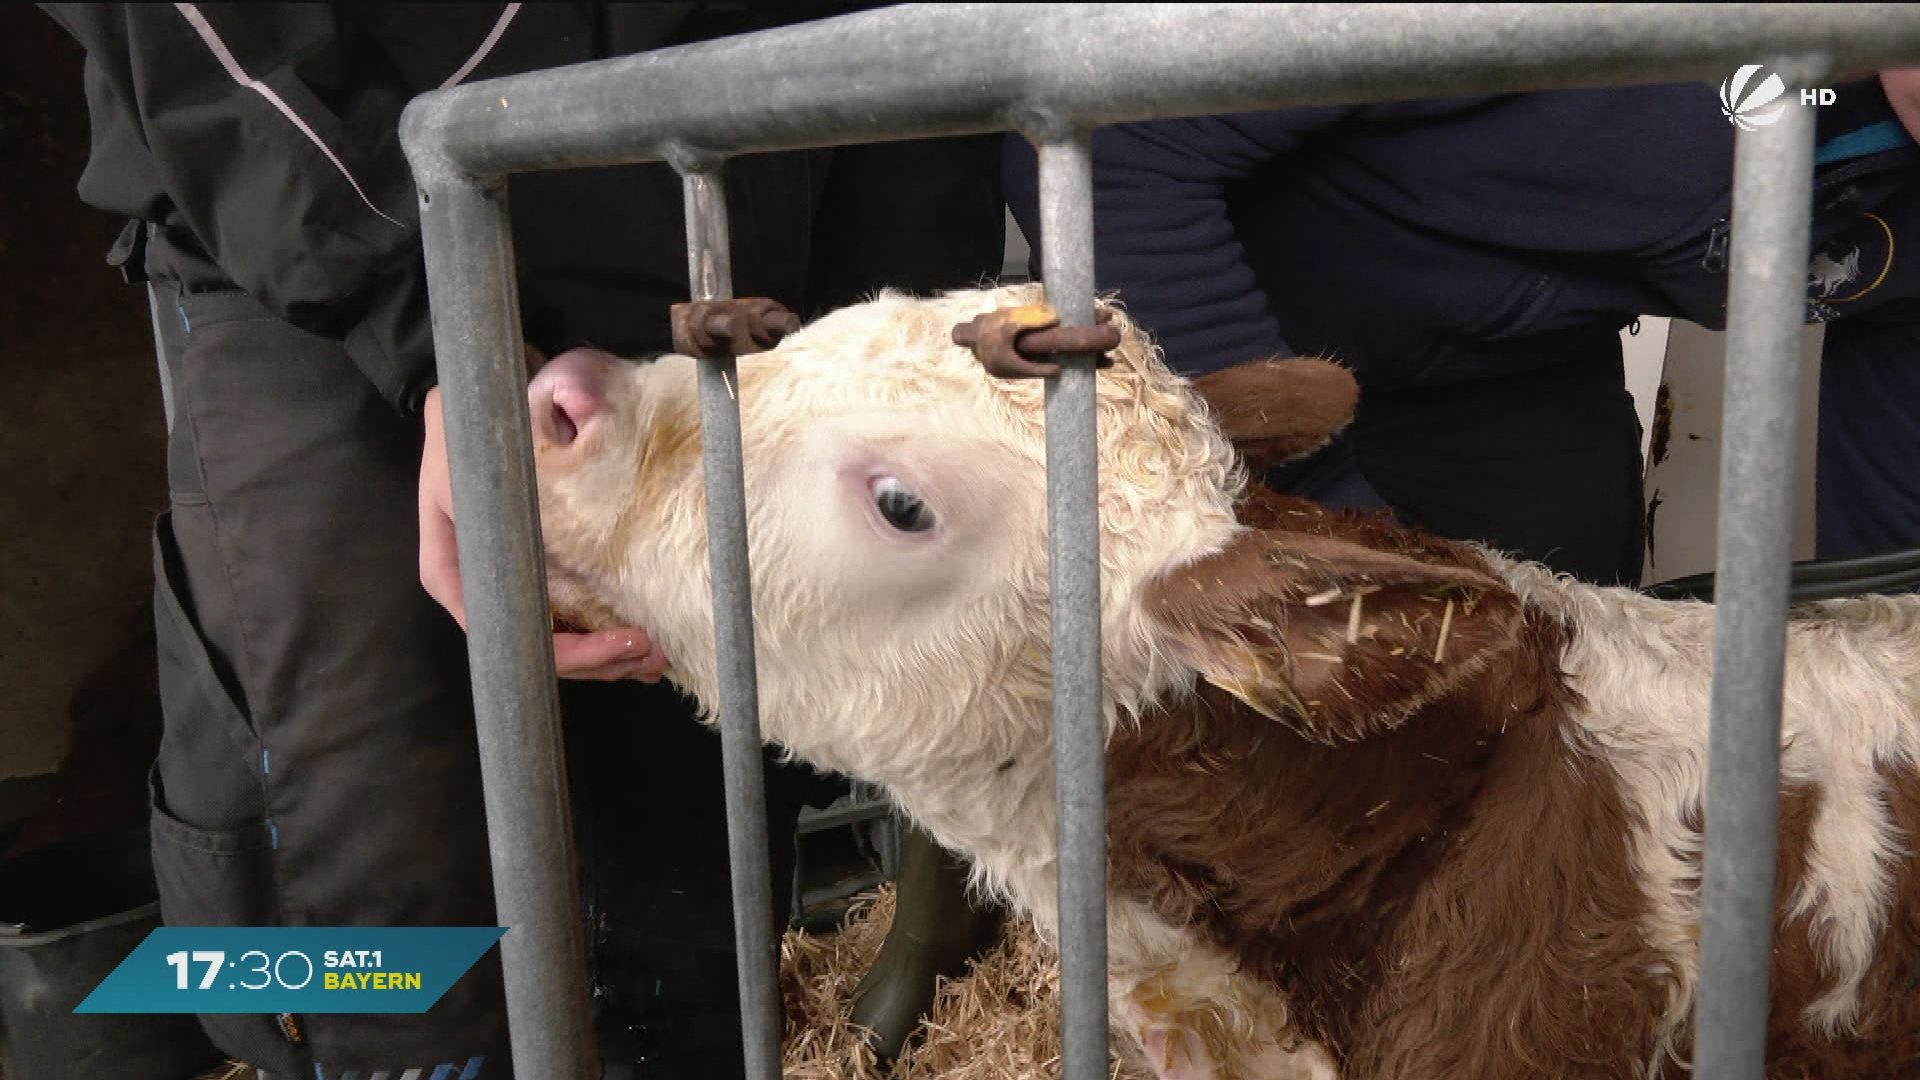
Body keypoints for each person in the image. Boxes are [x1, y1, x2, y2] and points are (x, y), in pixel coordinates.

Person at [43, 4, 1004, 1077]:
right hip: (331, 226)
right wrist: (427, 319)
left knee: (688, 913)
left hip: (727, 246)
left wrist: (879, 326)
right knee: (377, 901)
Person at [1004, 72, 1920, 585]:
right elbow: (1103, 134)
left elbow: (1891, 545)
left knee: (1544, 684)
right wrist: (1321, 508)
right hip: (1228, 328)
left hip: (1512, 369)